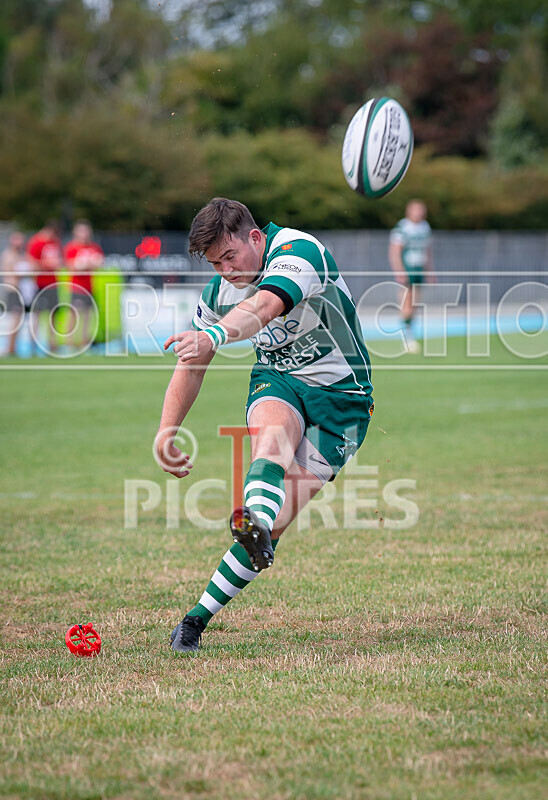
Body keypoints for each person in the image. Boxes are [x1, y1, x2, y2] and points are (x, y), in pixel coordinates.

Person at [155, 198, 374, 652]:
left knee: (271, 531)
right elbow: (193, 364)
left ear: (255, 238)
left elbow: (268, 304)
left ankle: (196, 617)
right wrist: (166, 429)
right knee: (271, 443)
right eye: (215, 263)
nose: (226, 272)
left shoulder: (300, 252)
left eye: (230, 257)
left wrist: (213, 334)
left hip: (345, 404)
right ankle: (195, 625)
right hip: (280, 381)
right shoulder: (219, 292)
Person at [388, 199, 435, 353]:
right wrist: (399, 271)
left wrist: (430, 271)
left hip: (419, 268)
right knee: (406, 303)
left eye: (421, 210)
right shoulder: (402, 227)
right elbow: (395, 251)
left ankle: (410, 333)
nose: (419, 213)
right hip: (407, 268)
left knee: (414, 304)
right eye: (416, 210)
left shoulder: (424, 227)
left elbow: (427, 250)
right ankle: (406, 337)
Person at [64, 220, 103, 350]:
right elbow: (71, 265)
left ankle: (84, 342)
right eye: (81, 231)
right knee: (74, 315)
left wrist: (85, 264)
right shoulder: (72, 247)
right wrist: (84, 264)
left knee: (87, 315)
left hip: (89, 287)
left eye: (86, 230)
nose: (84, 234)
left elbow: (99, 263)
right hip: (76, 287)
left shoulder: (94, 247)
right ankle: (69, 343)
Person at [26, 221, 63, 354]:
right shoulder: (36, 242)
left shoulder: (55, 242)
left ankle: (53, 345)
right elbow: (32, 263)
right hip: (40, 284)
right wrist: (48, 264)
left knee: (53, 316)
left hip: (53, 284)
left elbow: (60, 262)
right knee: (37, 315)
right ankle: (33, 346)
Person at [0, 232, 35, 356]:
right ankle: (10, 348)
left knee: (26, 319)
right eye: (17, 239)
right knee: (15, 320)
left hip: (25, 292)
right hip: (14, 291)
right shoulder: (8, 255)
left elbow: (33, 267)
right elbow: (10, 273)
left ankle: (27, 348)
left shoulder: (24, 255)